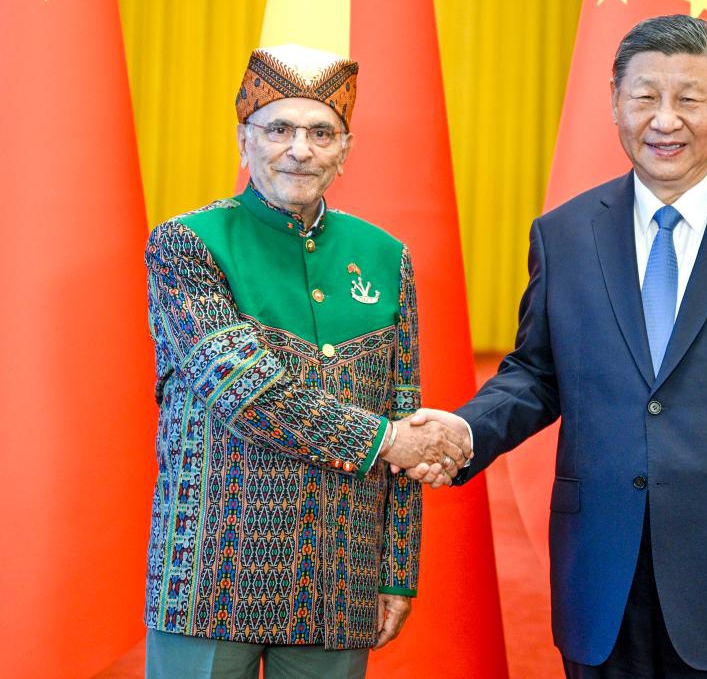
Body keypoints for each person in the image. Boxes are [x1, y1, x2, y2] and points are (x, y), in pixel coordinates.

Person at [405, 15, 707, 677]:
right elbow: (537, 374)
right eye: (644, 96)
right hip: (603, 570)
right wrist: (463, 429)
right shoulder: (563, 235)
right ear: (615, 103)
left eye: (688, 97)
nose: (664, 119)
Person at [143, 44, 469, 678]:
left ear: (345, 149)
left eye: (322, 132)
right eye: (279, 129)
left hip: (341, 574)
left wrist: (398, 569)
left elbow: (404, 405)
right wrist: (390, 441)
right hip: (214, 567)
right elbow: (247, 391)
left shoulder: (383, 256)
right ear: (244, 140)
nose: (300, 148)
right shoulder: (187, 243)